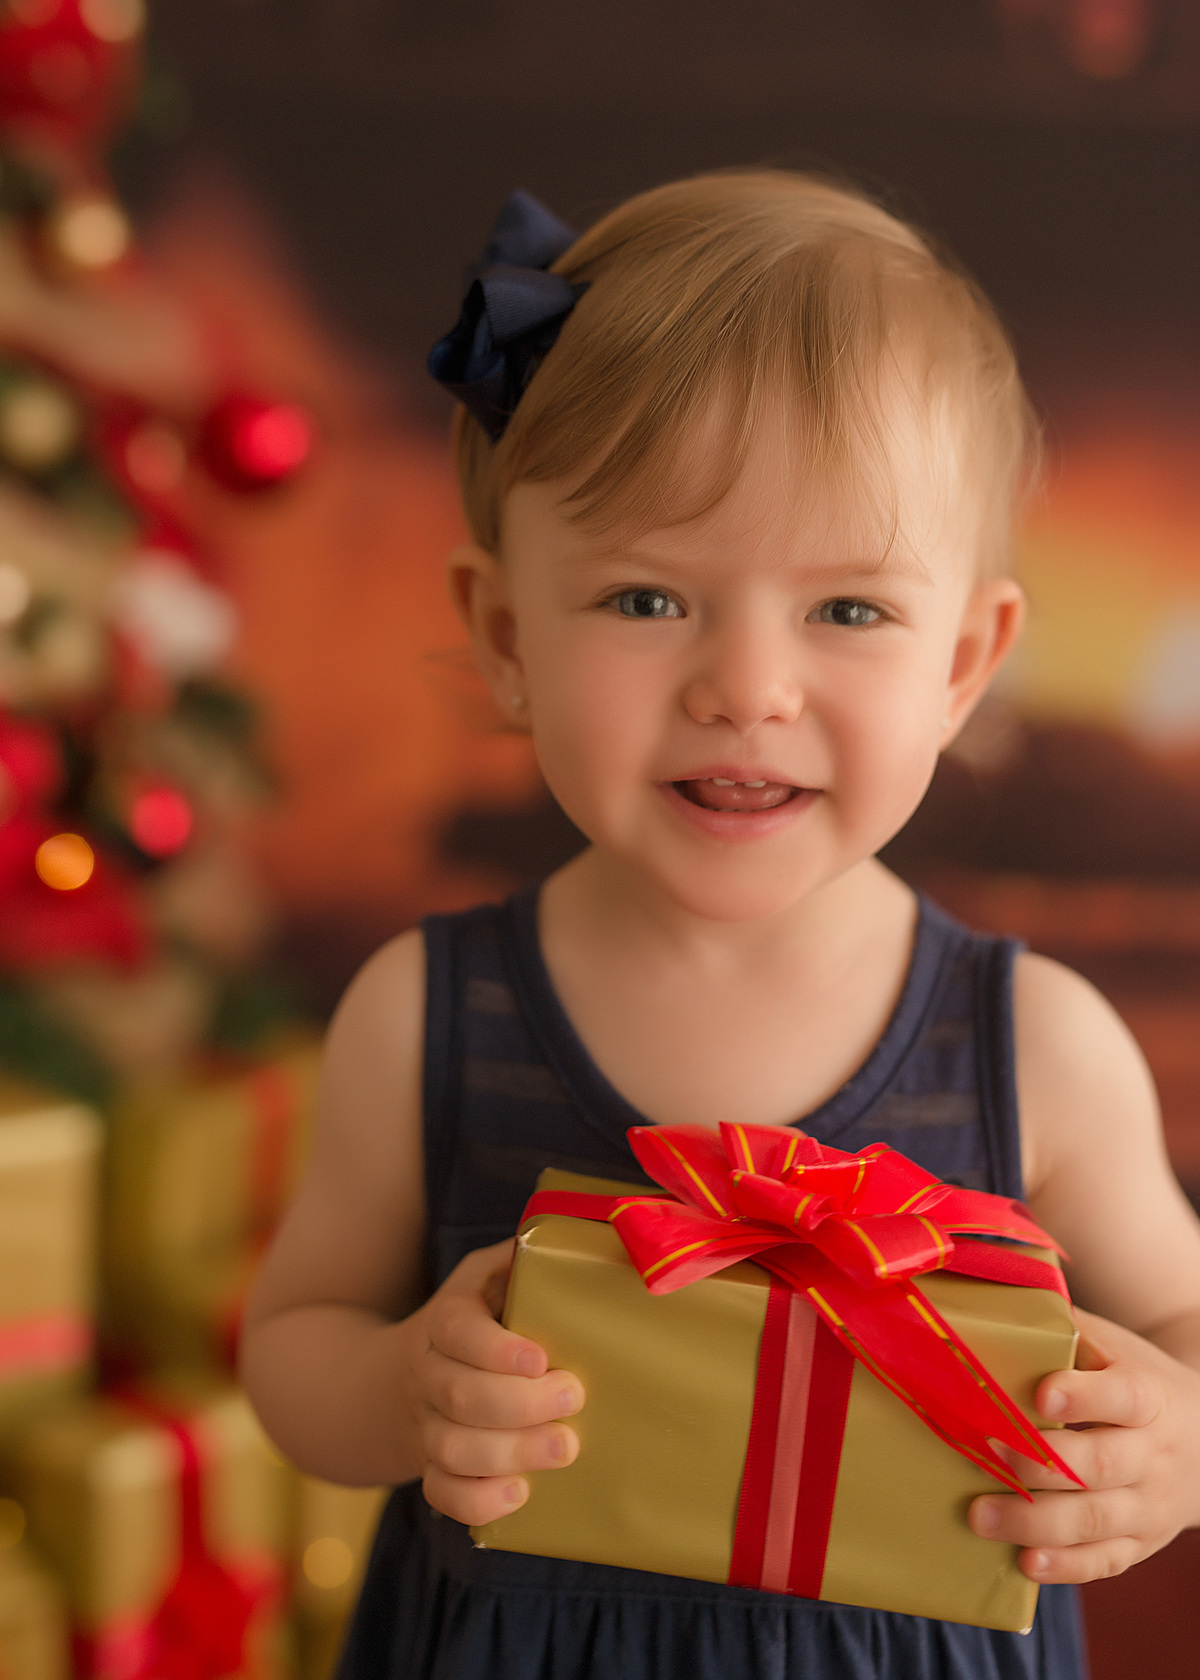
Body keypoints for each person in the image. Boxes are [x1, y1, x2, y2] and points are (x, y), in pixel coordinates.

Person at [239, 172, 1200, 1680]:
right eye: (643, 601)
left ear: (965, 662)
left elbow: (1186, 1318)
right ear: (506, 638)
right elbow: (295, 1341)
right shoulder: (423, 1013)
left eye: (849, 613)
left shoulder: (1035, 1042)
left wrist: (1177, 1440)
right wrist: (405, 1388)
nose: (747, 686)